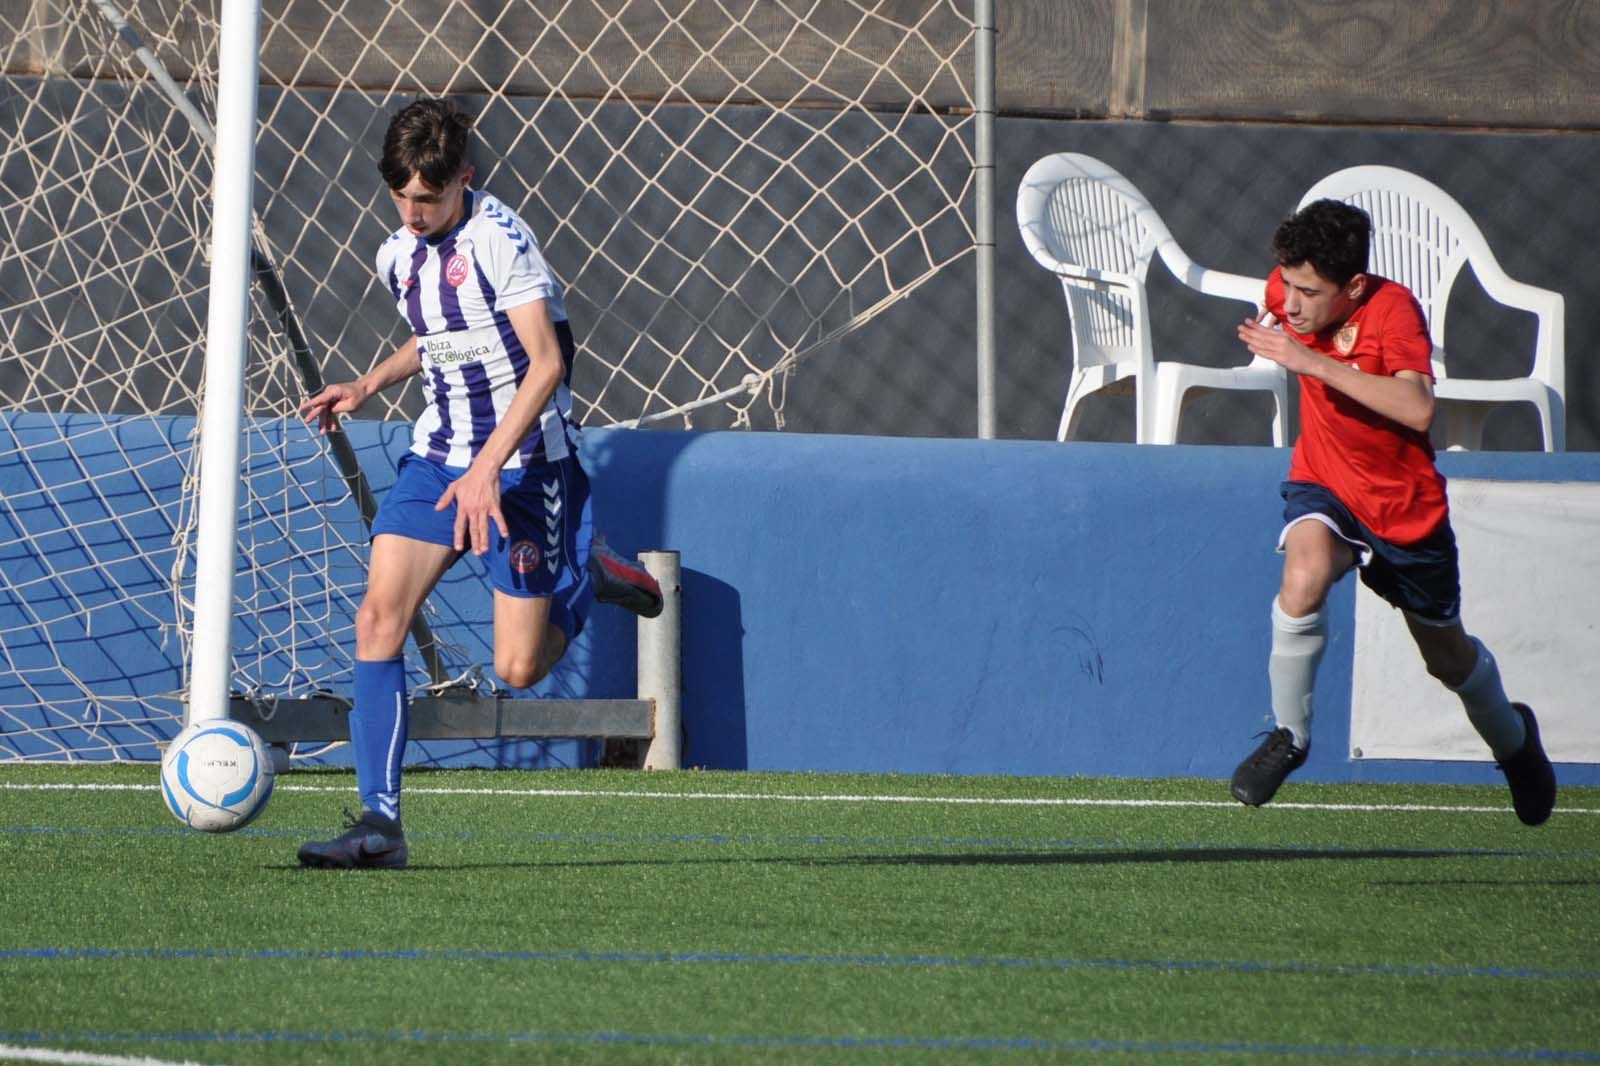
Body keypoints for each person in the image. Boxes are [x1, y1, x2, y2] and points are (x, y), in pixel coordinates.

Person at [296, 98, 660, 869]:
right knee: (377, 619)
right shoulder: (396, 253)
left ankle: (588, 577)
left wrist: (490, 467)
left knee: (518, 669)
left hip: (526, 468)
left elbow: (547, 363)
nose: (414, 212)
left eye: (429, 197)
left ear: (463, 176)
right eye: (401, 197)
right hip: (438, 460)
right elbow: (438, 339)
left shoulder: (502, 241)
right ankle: (379, 826)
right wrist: (367, 383)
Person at [1229, 198, 1555, 825]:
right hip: (1323, 483)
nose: (1290, 303)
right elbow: (1281, 308)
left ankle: (1513, 742)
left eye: (1307, 291)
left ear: (1352, 286)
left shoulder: (1393, 310)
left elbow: (1417, 409)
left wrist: (1312, 361)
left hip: (1403, 510)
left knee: (1447, 659)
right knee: (1303, 576)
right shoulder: (1288, 287)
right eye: (1288, 286)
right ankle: (1289, 737)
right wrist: (1285, 330)